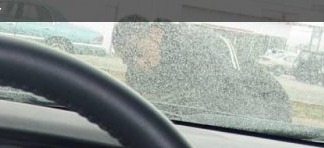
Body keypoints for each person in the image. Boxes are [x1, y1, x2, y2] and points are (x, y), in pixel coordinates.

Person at [112, 19, 292, 123]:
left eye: (138, 52)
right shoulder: (138, 71)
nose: (137, 63)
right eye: (127, 59)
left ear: (156, 33)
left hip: (268, 114)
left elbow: (232, 100)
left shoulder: (202, 50)